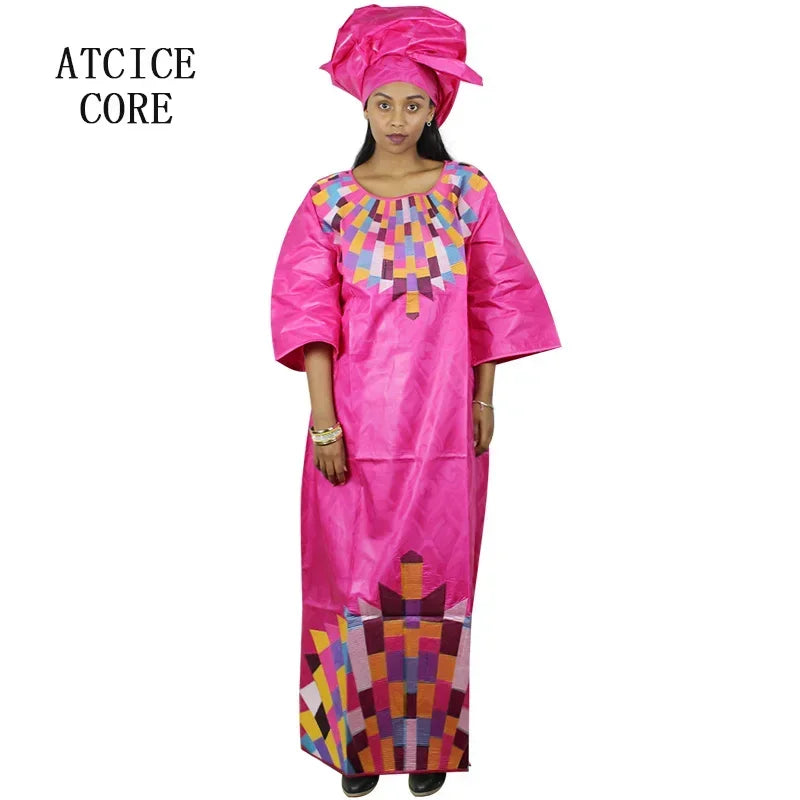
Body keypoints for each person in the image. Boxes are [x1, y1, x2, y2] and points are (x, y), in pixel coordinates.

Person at [270, 5, 561, 798]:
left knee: (436, 581)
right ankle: (357, 745)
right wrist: (323, 423)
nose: (397, 119)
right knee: (351, 585)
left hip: (443, 429)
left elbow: (495, 300)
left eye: (413, 104)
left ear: (435, 110)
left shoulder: (468, 192)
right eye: (384, 103)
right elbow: (309, 317)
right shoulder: (328, 201)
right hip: (354, 429)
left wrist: (485, 401)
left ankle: (426, 745)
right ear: (363, 106)